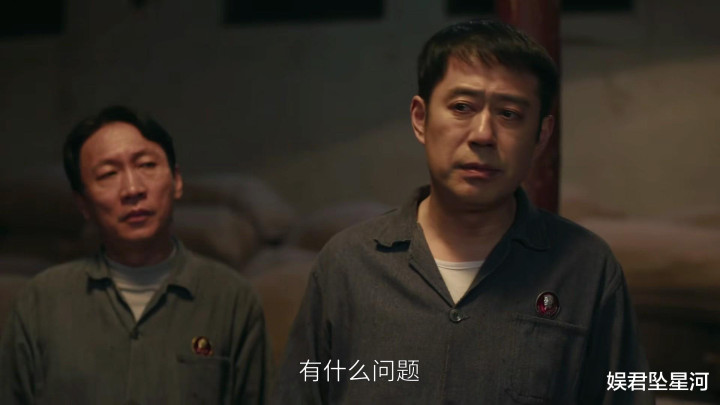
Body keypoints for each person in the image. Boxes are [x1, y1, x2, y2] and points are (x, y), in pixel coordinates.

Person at [274, 20, 652, 404]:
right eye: (461, 107)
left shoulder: (586, 268)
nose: (483, 134)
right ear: (420, 119)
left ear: (541, 135)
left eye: (509, 114)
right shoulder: (348, 264)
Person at [0, 106, 272, 404]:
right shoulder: (41, 301)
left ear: (177, 180)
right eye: (108, 174)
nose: (132, 189)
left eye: (146, 165)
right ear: (83, 204)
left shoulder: (231, 299)